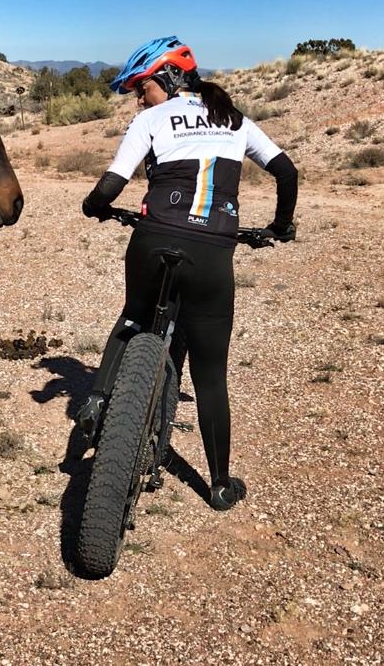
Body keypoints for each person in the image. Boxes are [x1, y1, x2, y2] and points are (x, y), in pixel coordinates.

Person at [78, 36, 297, 511]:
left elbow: (111, 184)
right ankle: (219, 485)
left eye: (143, 87)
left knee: (135, 315)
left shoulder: (150, 120)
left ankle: (96, 402)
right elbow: (286, 172)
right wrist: (280, 227)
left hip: (154, 238)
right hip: (213, 253)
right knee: (211, 373)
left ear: (171, 79)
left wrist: (94, 207)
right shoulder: (235, 119)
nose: (139, 97)